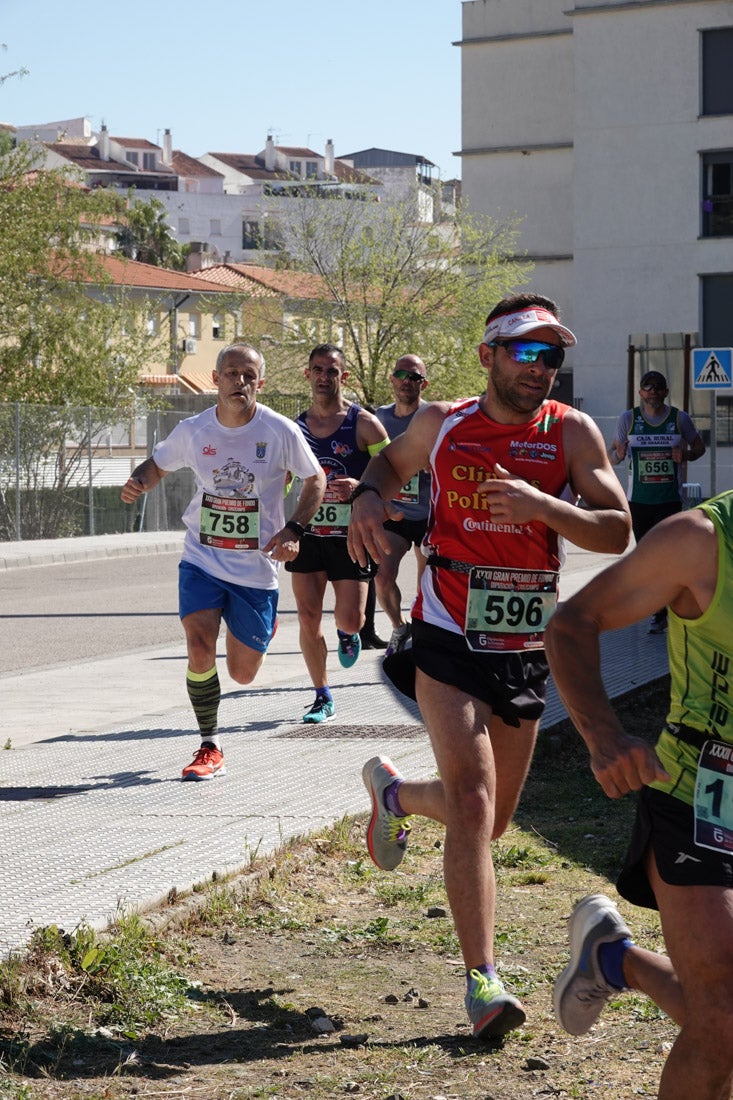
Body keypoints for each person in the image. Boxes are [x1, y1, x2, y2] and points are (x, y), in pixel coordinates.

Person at [347, 293, 631, 1039]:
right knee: (473, 803)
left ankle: (396, 797)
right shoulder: (443, 423)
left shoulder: (570, 433)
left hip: (524, 652)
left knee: (492, 819)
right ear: (488, 355)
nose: (541, 369)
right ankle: (482, 982)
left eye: (551, 357)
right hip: (445, 640)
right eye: (525, 353)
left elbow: (616, 531)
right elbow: (385, 464)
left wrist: (545, 507)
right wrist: (368, 503)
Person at [545, 491, 733, 1100]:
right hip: (703, 798)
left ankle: (615, 958)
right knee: (724, 1021)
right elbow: (572, 623)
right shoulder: (700, 541)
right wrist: (602, 735)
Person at [121, 343, 325, 779]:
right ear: (216, 380)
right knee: (198, 646)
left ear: (261, 383)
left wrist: (295, 530)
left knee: (243, 672)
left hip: (255, 568)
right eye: (231, 373)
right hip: (202, 557)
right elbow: (157, 465)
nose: (240, 382)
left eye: (249, 375)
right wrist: (138, 481)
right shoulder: (195, 430)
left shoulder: (280, 431)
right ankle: (208, 745)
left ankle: (259, 628)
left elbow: (316, 478)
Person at [286, 343, 389, 724]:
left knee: (350, 620)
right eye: (318, 369)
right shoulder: (294, 429)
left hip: (352, 536)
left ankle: (350, 633)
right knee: (308, 617)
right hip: (309, 535)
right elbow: (280, 479)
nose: (324, 377)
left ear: (343, 377)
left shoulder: (364, 424)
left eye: (332, 371)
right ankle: (321, 695)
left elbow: (395, 471)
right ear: (307, 374)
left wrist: (361, 485)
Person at [609, 369, 705, 633]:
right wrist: (618, 454)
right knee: (648, 557)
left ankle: (670, 608)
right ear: (640, 392)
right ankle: (662, 611)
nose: (652, 391)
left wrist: (684, 456)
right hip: (638, 501)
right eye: (647, 387)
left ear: (664, 392)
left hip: (668, 500)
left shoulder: (679, 419)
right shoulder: (628, 419)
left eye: (657, 387)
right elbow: (611, 457)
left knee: (665, 554)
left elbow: (699, 448)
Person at [374, 354, 431, 657]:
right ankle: (399, 627)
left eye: (415, 377)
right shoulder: (380, 419)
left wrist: (432, 462)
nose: (407, 381)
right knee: (382, 578)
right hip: (395, 511)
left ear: (424, 383)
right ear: (392, 380)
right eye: (402, 375)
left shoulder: (433, 417)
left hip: (430, 513)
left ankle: (423, 639)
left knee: (426, 587)